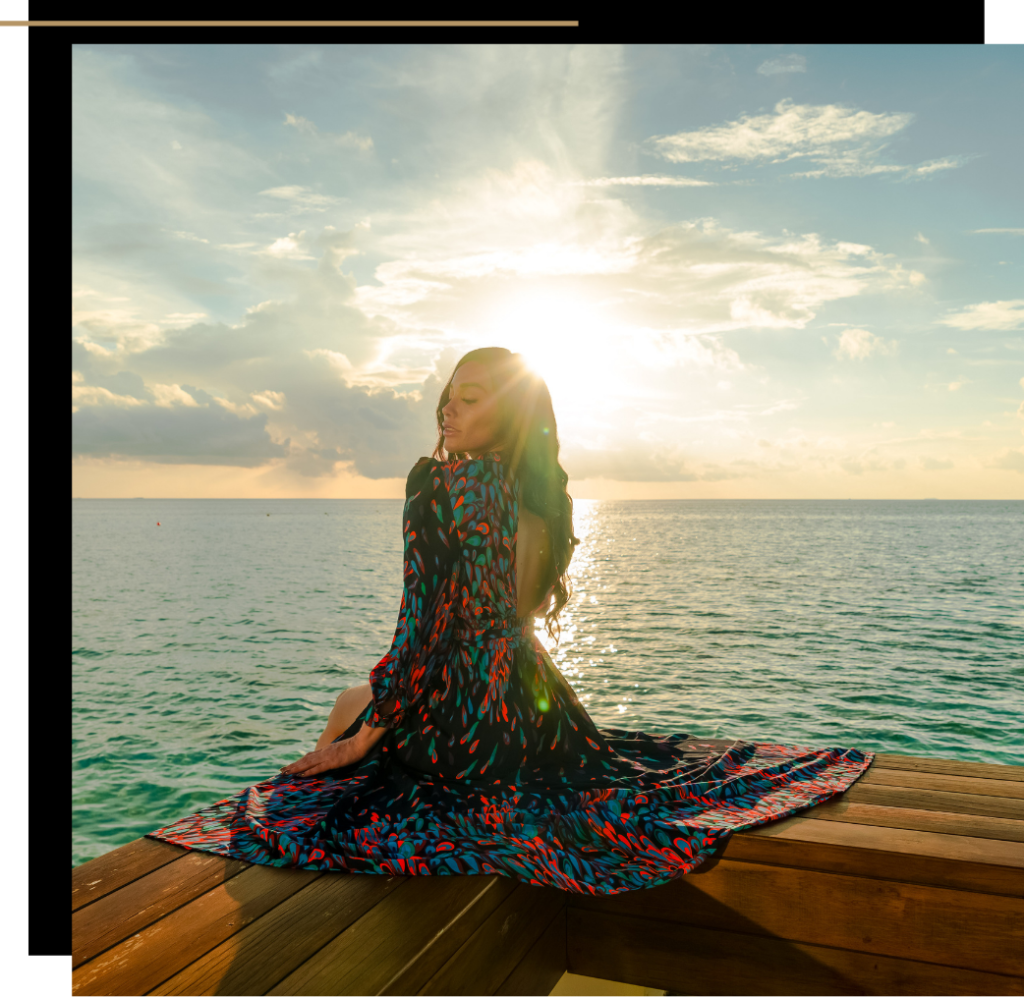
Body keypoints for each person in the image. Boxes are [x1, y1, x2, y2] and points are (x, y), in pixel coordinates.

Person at [147, 347, 872, 894]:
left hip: (468, 723)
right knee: (364, 715)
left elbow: (423, 628)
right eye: (447, 398)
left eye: (469, 399)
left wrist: (364, 734)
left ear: (507, 413)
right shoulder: (542, 496)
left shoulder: (437, 484)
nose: (447, 413)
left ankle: (310, 870)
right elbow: (513, 615)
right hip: (531, 711)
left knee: (345, 715)